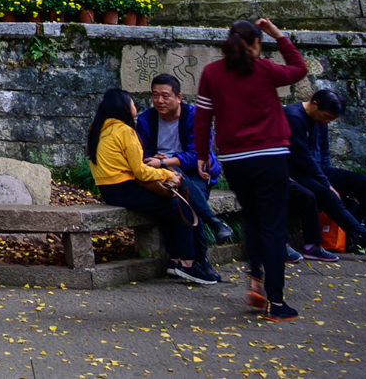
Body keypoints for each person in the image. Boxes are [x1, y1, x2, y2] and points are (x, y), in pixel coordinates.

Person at [194, 18, 309, 321]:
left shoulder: (211, 73)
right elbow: (299, 69)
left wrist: (202, 155)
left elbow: (203, 118)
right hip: (271, 157)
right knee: (273, 227)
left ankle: (255, 278)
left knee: (254, 219)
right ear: (256, 43)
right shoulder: (265, 69)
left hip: (235, 161)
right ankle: (276, 302)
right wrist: (279, 35)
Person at [89, 88, 221, 284]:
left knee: (169, 208)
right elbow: (140, 171)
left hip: (109, 191)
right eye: (132, 102)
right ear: (124, 107)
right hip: (127, 188)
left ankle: (175, 261)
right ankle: (188, 264)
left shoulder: (98, 129)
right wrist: (168, 174)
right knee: (181, 206)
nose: (136, 106)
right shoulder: (125, 131)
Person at [284, 90, 366, 263]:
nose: (327, 121)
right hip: (296, 172)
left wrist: (333, 180)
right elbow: (303, 158)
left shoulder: (320, 119)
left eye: (331, 119)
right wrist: (328, 184)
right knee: (328, 196)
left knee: (364, 182)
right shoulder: (293, 117)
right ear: (314, 104)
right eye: (327, 116)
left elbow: (323, 153)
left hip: (318, 170)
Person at [136, 73, 229, 245]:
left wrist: (165, 161)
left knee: (188, 202)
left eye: (165, 96)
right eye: (155, 95)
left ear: (179, 97)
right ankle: (213, 225)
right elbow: (143, 153)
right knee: (183, 203)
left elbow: (198, 154)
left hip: (196, 172)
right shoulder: (146, 119)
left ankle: (192, 261)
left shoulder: (196, 117)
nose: (159, 101)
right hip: (165, 174)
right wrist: (153, 159)